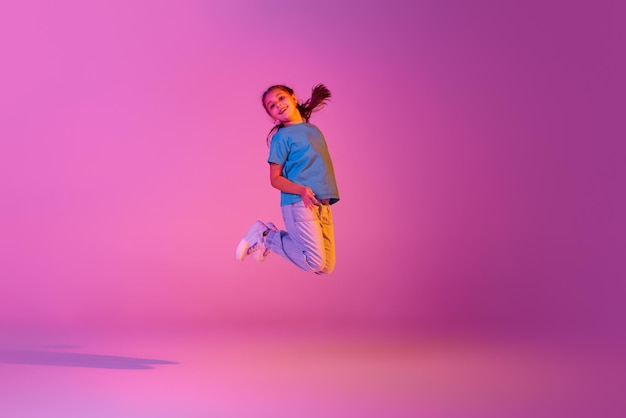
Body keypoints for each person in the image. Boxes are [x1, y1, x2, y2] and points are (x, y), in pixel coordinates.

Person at [235, 83, 340, 275]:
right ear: (272, 116)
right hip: (299, 202)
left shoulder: (314, 131)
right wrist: (301, 190)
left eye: (281, 98)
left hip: (322, 204)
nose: (278, 105)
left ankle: (269, 236)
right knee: (314, 262)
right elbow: (275, 179)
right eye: (272, 106)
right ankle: (266, 236)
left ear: (293, 97)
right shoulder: (281, 138)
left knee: (325, 267)